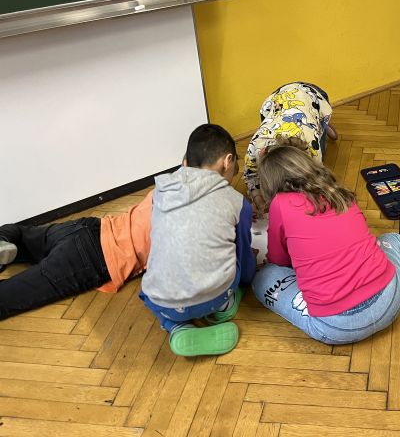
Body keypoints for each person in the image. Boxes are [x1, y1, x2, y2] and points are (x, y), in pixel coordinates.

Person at [250, 144, 400, 344]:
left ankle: (314, 298)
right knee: (392, 239)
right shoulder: (339, 192)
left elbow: (279, 260)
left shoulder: (280, 204)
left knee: (264, 278)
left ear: (273, 183)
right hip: (390, 301)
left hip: (335, 327)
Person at [140, 124, 255, 357]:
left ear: (185, 162)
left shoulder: (160, 192)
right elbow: (243, 255)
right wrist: (248, 278)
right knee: (239, 258)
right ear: (227, 161)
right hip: (214, 297)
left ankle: (176, 327)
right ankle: (224, 306)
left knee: (147, 292)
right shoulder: (236, 202)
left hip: (164, 302)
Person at [0, 194, 152, 320]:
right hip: (95, 255)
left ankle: (2, 239)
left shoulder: (165, 184)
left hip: (91, 226)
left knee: (20, 234)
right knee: (7, 297)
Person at [244, 82, 337, 217]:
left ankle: (322, 123)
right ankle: (319, 121)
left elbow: (319, 178)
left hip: (314, 96)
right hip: (276, 102)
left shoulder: (311, 151)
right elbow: (250, 176)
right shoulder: (254, 149)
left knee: (319, 135)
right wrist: (258, 201)